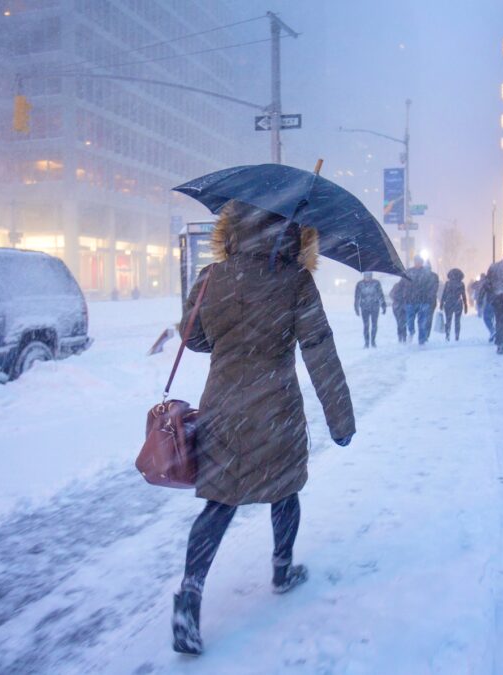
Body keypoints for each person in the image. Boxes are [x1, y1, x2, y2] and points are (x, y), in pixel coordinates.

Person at [173, 201, 356, 655]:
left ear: (233, 228)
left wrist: (230, 334)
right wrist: (340, 419)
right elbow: (318, 349)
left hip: (222, 406)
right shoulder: (296, 280)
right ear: (292, 232)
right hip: (276, 407)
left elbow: (192, 337)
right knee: (285, 489)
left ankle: (190, 595)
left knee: (218, 502)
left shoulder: (213, 277)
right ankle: (281, 568)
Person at [405, 256, 439, 345]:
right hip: (410, 300)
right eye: (416, 261)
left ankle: (422, 340)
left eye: (419, 262)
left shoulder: (426, 273)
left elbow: (431, 287)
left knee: (422, 322)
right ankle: (411, 331)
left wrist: (428, 297)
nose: (417, 263)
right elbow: (404, 284)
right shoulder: (409, 272)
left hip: (423, 301)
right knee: (410, 320)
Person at [354, 272, 387, 348]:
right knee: (366, 325)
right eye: (366, 276)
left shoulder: (376, 283)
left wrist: (383, 305)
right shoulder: (360, 284)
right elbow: (357, 297)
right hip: (364, 307)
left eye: (369, 276)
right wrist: (356, 307)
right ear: (364, 276)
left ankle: (373, 341)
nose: (368, 277)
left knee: (374, 324)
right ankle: (366, 342)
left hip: (375, 307)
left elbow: (380, 294)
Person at [440, 268, 468, 341]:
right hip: (458, 303)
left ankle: (447, 334)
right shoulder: (461, 284)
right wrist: (465, 305)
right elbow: (463, 295)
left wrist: (442, 303)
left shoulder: (447, 283)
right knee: (457, 321)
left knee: (448, 320)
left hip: (448, 303)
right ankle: (457, 335)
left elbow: (444, 294)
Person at [389, 276, 411, 343]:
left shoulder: (406, 287)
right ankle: (402, 336)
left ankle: (402, 336)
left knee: (401, 322)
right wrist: (400, 298)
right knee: (401, 322)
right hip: (399, 306)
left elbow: (391, 294)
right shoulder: (399, 286)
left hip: (400, 306)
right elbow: (391, 294)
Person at [474, 273, 495, 342]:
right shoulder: (500, 281)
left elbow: (482, 292)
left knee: (487, 318)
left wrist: (479, 301)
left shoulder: (487, 282)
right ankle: (497, 332)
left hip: (490, 302)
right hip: (500, 302)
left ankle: (492, 330)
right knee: (498, 319)